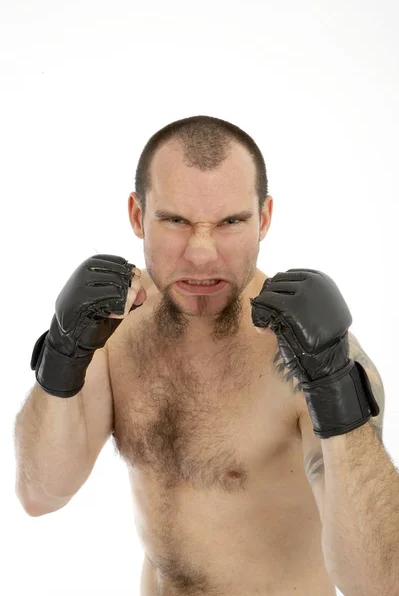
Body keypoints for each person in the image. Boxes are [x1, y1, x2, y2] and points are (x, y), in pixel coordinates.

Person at [15, 115, 372, 595]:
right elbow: (40, 494)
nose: (202, 253)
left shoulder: (307, 356)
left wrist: (335, 388)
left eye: (230, 222)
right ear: (138, 216)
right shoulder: (113, 328)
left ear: (263, 218)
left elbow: (378, 582)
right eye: (176, 220)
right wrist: (60, 353)